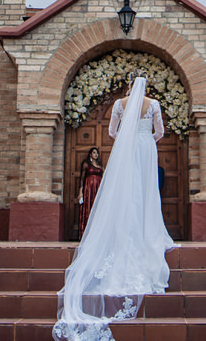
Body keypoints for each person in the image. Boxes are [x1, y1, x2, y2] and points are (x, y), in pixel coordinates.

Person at [53, 73, 176, 341]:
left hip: (127, 148)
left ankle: (121, 230)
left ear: (130, 86)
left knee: (126, 191)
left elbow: (110, 132)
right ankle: (147, 230)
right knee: (145, 191)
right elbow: (161, 132)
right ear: (146, 85)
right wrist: (146, 140)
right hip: (145, 148)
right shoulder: (153, 103)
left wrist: (126, 138)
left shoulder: (120, 104)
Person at [76, 148, 104, 237]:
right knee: (89, 207)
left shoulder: (100, 165)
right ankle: (86, 234)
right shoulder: (86, 164)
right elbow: (82, 178)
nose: (96, 154)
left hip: (98, 189)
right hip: (89, 189)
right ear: (90, 154)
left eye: (97, 153)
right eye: (94, 153)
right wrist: (81, 191)